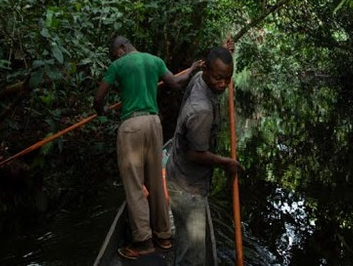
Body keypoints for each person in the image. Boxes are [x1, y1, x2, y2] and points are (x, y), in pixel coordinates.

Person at [94, 36, 201, 261]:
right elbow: (175, 84)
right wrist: (191, 69)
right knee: (155, 181)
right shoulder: (155, 60)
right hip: (154, 124)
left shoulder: (118, 65)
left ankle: (143, 242)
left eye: (115, 54)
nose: (116, 57)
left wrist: (101, 110)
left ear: (121, 49)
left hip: (131, 125)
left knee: (134, 186)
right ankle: (164, 236)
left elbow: (98, 97)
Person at [165, 46, 243, 266]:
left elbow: (217, 64)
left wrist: (226, 50)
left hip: (178, 173)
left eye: (228, 79)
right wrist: (227, 162)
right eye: (218, 78)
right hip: (187, 188)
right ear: (207, 70)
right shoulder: (201, 111)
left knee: (185, 244)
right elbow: (195, 154)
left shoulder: (200, 75)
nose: (223, 84)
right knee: (193, 258)